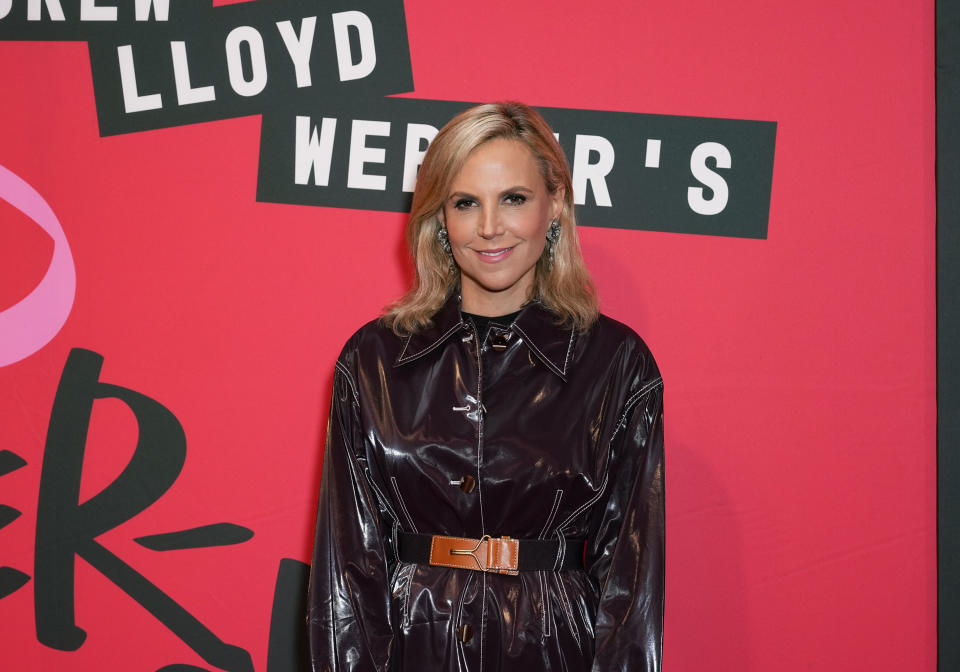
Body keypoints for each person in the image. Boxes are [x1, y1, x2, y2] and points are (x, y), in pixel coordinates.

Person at [307, 102, 664, 671]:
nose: (489, 226)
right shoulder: (373, 360)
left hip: (553, 652)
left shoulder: (617, 364)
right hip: (410, 646)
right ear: (439, 219)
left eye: (514, 199)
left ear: (555, 207)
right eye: (465, 202)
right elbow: (347, 569)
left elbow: (631, 580)